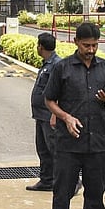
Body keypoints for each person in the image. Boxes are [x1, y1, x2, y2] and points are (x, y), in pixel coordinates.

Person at [44, 23, 105, 209]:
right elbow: (49, 100)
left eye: (95, 45)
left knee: (96, 193)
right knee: (62, 193)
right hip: (69, 144)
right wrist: (65, 117)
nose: (90, 50)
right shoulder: (62, 68)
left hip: (98, 143)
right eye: (86, 45)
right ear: (76, 42)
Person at [27, 33, 62, 191]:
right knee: (43, 149)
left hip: (49, 115)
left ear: (40, 46)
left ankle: (72, 181)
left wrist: (55, 114)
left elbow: (60, 92)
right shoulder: (47, 63)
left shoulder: (56, 65)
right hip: (40, 115)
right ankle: (47, 180)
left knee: (55, 150)